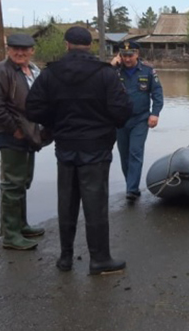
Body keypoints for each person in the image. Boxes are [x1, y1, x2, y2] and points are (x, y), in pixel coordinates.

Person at [25, 26, 133, 275]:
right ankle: (99, 259)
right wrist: (109, 123)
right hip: (96, 146)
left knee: (67, 201)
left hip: (65, 146)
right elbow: (123, 110)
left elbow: (33, 108)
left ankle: (65, 258)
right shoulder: (105, 74)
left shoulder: (51, 74)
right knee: (95, 203)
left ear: (66, 45)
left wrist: (54, 123)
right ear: (91, 45)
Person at [0, 33, 47, 251]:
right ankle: (10, 235)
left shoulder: (33, 70)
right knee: (12, 184)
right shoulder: (1, 71)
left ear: (32, 50)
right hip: (12, 135)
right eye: (15, 49)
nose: (20, 53)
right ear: (8, 50)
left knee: (23, 181)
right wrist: (15, 130)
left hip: (30, 133)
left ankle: (21, 225)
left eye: (24, 49)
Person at [109, 40, 164, 202]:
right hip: (119, 120)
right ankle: (130, 185)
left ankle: (132, 189)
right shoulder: (114, 72)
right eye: (124, 55)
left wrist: (155, 113)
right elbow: (100, 85)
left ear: (137, 54)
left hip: (140, 119)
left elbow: (157, 94)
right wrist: (111, 67)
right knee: (124, 154)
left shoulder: (148, 71)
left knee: (135, 152)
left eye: (130, 55)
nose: (127, 59)